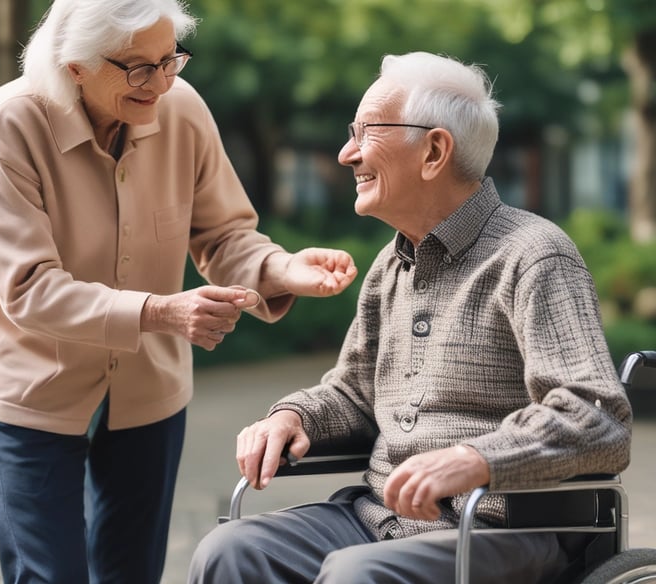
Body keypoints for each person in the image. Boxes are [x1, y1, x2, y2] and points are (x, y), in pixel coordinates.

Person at [188, 51, 634, 584]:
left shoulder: (534, 255)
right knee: (231, 550)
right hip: (379, 519)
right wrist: (291, 418)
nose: (345, 153)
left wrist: (476, 457)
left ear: (434, 151)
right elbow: (353, 395)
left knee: (357, 576)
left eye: (365, 133)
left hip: (501, 528)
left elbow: (597, 415)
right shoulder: (389, 267)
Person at [0, 0, 358, 582]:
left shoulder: (182, 107)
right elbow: (28, 286)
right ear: (75, 65)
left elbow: (223, 235)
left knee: (131, 571)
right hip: (31, 381)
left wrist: (281, 268)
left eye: (170, 59)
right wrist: (160, 311)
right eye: (139, 67)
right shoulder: (10, 122)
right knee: (47, 573)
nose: (162, 82)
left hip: (147, 383)